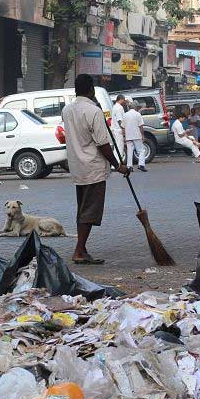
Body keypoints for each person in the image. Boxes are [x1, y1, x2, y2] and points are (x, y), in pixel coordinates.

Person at [61, 74, 130, 265]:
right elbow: (102, 144)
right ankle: (79, 251)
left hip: (77, 166)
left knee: (83, 210)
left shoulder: (67, 110)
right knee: (90, 211)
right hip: (93, 167)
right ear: (91, 89)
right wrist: (118, 165)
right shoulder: (93, 111)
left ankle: (82, 249)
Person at [122, 99, 147, 172]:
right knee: (141, 150)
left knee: (129, 151)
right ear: (135, 107)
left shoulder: (125, 115)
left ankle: (129, 166)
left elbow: (123, 127)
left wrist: (124, 136)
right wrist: (142, 135)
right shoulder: (138, 114)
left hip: (128, 136)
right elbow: (141, 126)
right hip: (137, 135)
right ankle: (141, 165)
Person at [111, 94, 127, 163]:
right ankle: (117, 164)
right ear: (121, 99)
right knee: (119, 148)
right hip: (118, 130)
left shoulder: (114, 106)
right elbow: (120, 120)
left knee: (116, 148)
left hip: (115, 129)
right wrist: (123, 130)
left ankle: (115, 163)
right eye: (124, 100)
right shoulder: (119, 108)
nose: (124, 101)